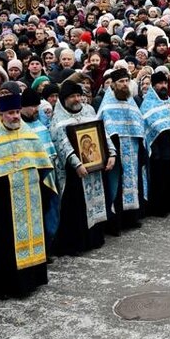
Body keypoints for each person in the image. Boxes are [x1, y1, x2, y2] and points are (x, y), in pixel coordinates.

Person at [0, 90, 58, 299]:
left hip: (31, 199)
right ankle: (6, 286)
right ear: (1, 114)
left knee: (33, 237)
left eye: (17, 112)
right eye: (10, 113)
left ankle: (33, 279)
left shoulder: (28, 134)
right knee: (5, 244)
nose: (15, 116)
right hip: (3, 205)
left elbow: (43, 165)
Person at [50, 79, 115, 255]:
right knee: (75, 208)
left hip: (95, 165)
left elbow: (102, 132)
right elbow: (62, 144)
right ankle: (76, 244)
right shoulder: (58, 118)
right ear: (64, 99)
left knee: (95, 201)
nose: (77, 99)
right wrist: (76, 163)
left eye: (79, 95)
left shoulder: (89, 110)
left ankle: (94, 238)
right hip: (74, 172)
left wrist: (112, 153)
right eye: (72, 96)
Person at [95, 67, 146, 229]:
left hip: (133, 148)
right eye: (121, 82)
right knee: (116, 185)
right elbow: (103, 128)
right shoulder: (107, 105)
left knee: (133, 182)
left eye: (126, 81)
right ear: (113, 85)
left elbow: (139, 124)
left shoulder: (131, 102)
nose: (124, 84)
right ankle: (115, 223)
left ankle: (131, 218)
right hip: (116, 150)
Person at [139, 70, 170, 217]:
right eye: (160, 83)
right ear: (153, 86)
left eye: (165, 83)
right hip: (157, 149)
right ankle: (159, 208)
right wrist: (154, 149)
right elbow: (147, 128)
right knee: (159, 178)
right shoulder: (147, 104)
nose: (163, 86)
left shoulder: (168, 101)